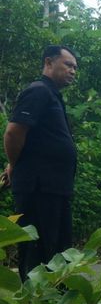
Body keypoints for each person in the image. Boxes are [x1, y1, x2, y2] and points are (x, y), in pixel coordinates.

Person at [3, 45, 78, 281]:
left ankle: (56, 299)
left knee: (57, 244)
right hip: (38, 187)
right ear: (49, 63)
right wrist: (14, 165)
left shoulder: (52, 96)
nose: (73, 71)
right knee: (37, 245)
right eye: (68, 65)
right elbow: (13, 133)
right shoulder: (38, 91)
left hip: (55, 188)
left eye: (75, 67)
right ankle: (35, 301)